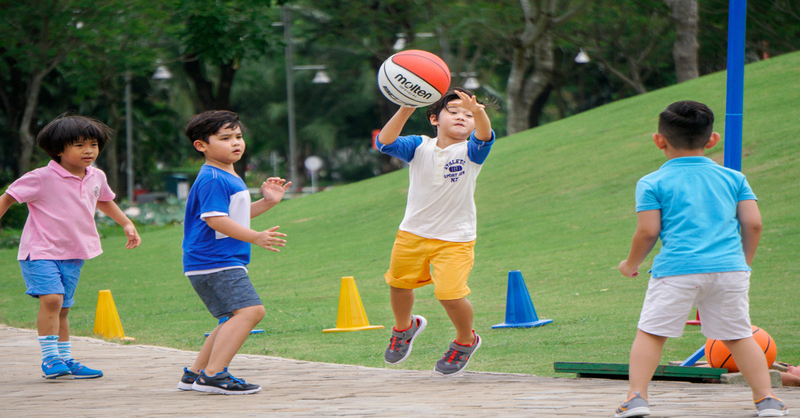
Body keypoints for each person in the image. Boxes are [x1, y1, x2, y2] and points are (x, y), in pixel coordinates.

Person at [615, 101, 787, 417]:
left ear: (659, 140)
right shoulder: (734, 178)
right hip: (730, 270)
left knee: (652, 333)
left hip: (677, 271)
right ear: (712, 140)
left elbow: (648, 232)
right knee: (738, 334)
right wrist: (742, 261)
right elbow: (753, 223)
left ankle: (636, 397)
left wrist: (631, 264)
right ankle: (767, 400)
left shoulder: (652, 182)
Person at [0, 115, 141, 379]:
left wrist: (126, 223)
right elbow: (7, 198)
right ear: (58, 150)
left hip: (74, 252)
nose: (89, 151)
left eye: (93, 145)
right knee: (52, 300)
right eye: (79, 145)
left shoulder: (96, 176)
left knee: (62, 307)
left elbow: (105, 201)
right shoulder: (41, 177)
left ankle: (66, 359)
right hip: (39, 251)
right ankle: (50, 358)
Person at [376, 88, 495, 377]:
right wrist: (406, 107)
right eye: (453, 111)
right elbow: (384, 142)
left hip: (455, 239)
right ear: (434, 119)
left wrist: (479, 112)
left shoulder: (471, 151)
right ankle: (404, 328)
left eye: (468, 114)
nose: (461, 116)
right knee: (399, 284)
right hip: (412, 234)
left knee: (450, 295)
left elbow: (483, 133)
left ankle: (466, 341)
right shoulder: (419, 146)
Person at [178, 110, 290, 395]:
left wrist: (268, 202)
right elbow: (216, 220)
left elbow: (234, 216)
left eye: (238, 136)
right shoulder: (215, 178)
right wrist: (256, 237)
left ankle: (194, 374)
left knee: (232, 316)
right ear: (201, 145)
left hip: (210, 262)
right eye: (225, 138)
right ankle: (214, 376)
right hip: (216, 261)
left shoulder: (225, 175)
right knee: (251, 311)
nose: (235, 143)